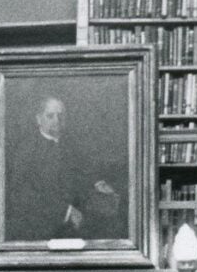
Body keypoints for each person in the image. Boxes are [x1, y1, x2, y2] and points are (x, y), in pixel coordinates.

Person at [8, 92, 120, 239]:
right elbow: (23, 195)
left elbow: (84, 172)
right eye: (50, 116)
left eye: (61, 116)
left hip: (77, 223)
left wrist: (98, 183)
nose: (57, 120)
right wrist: (65, 212)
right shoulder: (26, 150)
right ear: (38, 119)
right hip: (39, 228)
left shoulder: (72, 145)